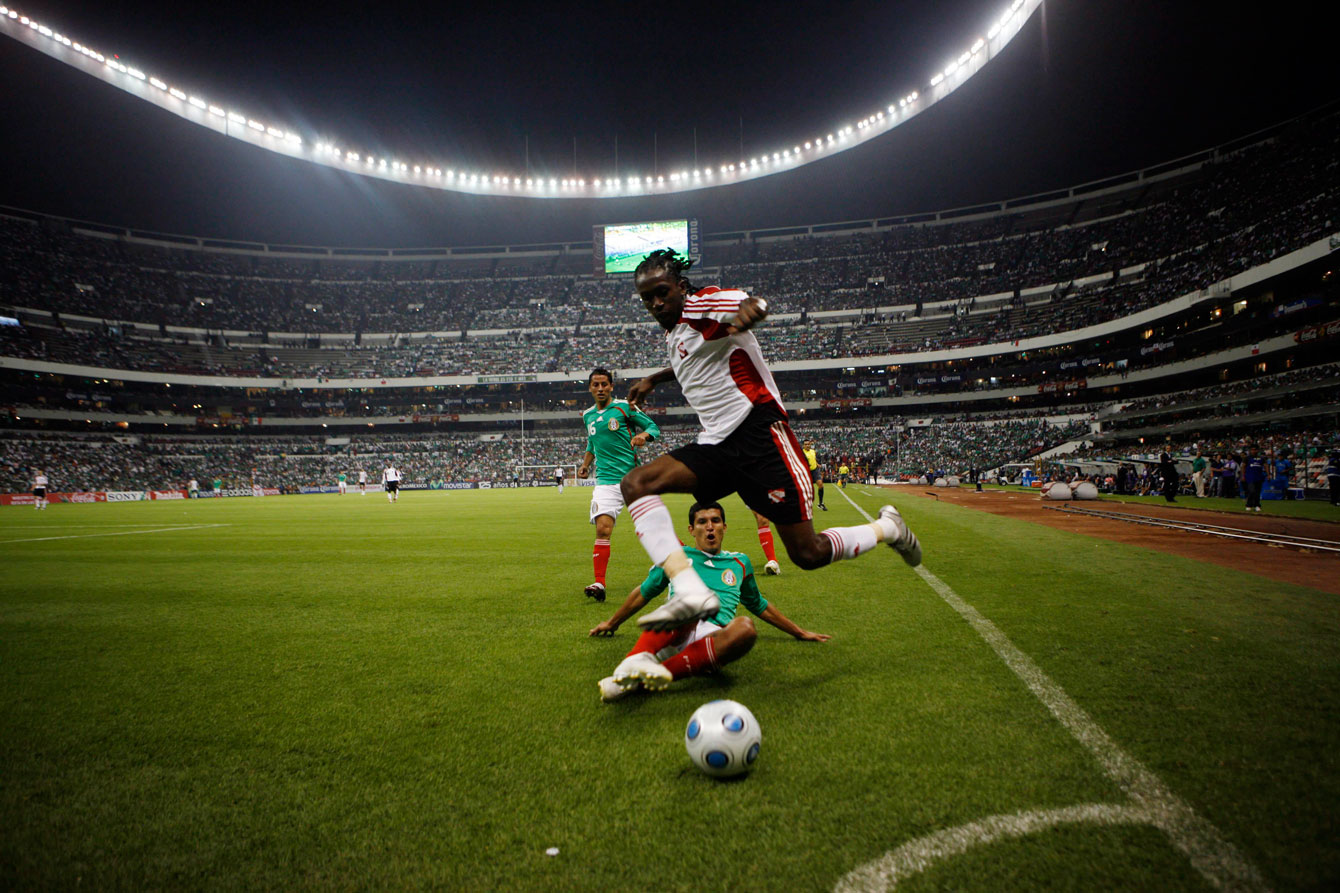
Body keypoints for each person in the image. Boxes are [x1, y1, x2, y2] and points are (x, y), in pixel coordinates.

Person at [620, 249, 921, 633]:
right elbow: (694, 357)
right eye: (647, 298)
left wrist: (754, 308)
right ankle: (689, 588)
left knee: (807, 554)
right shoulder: (678, 328)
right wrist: (654, 380)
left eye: (662, 292)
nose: (656, 303)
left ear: (681, 286)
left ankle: (888, 528)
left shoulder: (702, 305)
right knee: (637, 484)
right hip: (717, 445)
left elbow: (748, 302)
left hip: (760, 436)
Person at [589, 501, 828, 702]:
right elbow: (643, 592)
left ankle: (642, 677)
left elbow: (758, 605)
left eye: (715, 521)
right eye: (702, 522)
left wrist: (799, 632)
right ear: (692, 530)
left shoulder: (740, 562)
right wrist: (612, 623)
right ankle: (636, 661)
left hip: (713, 638)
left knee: (745, 629)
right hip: (676, 626)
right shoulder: (677, 557)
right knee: (692, 601)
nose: (710, 527)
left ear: (725, 526)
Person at [577, 367, 662, 602]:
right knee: (603, 529)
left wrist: (642, 437)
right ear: (590, 388)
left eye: (605, 384)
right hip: (605, 482)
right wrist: (585, 465)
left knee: (654, 529)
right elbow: (592, 443)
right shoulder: (587, 415)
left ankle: (679, 565)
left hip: (632, 479)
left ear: (611, 386)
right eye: (596, 384)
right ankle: (599, 583)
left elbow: (653, 427)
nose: (601, 388)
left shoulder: (625, 407)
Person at [802, 440, 827, 510]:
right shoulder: (801, 452)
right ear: (803, 446)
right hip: (806, 471)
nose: (807, 445)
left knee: (820, 485)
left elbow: (813, 459)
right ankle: (804, 505)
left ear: (810, 445)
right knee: (806, 489)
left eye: (808, 444)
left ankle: (820, 504)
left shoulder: (813, 451)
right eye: (805, 444)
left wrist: (817, 464)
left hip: (815, 470)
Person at [1241, 446, 1265, 512]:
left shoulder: (1261, 458)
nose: (1254, 451)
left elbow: (1266, 466)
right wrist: (1243, 476)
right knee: (1252, 491)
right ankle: (1249, 504)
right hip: (1250, 477)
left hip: (1259, 477)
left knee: (1257, 492)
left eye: (1255, 450)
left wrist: (1268, 475)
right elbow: (1243, 466)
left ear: (1257, 450)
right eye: (1252, 450)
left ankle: (1257, 505)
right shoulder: (1247, 458)